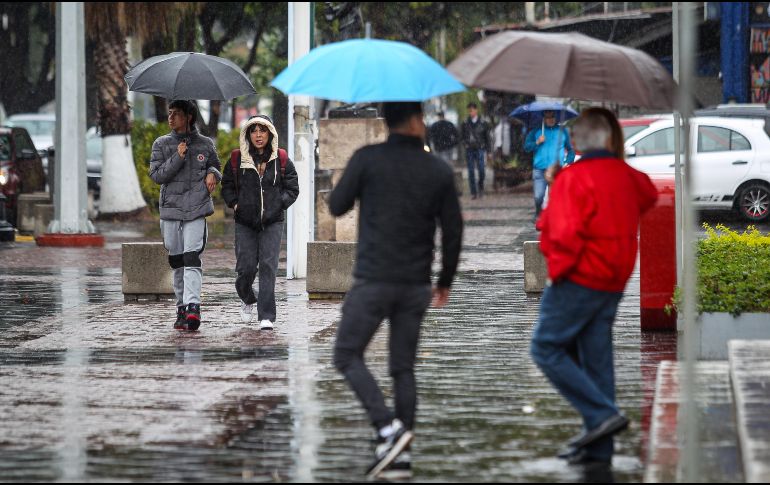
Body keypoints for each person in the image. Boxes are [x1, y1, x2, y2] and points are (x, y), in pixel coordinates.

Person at [329, 102, 463, 480]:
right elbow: (453, 230)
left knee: (346, 354)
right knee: (402, 367)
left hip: (373, 281)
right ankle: (400, 454)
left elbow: (337, 205)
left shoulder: (367, 159)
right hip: (416, 285)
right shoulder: (437, 168)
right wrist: (445, 280)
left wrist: (353, 181)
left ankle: (388, 428)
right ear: (417, 121)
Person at [530, 108, 658, 466]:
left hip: (579, 277)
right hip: (614, 281)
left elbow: (558, 230)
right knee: (596, 356)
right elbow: (647, 195)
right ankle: (599, 448)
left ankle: (601, 415)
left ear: (575, 142)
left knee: (546, 348)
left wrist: (557, 271)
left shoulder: (575, 177)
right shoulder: (625, 174)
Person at [221, 115, 299, 330]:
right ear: (247, 134)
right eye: (253, 130)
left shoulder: (281, 159)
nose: (258, 135)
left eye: (262, 130)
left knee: (268, 266)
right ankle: (247, 298)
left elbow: (292, 189)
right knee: (245, 268)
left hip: (273, 222)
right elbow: (227, 185)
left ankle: (266, 315)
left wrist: (277, 205)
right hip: (245, 222)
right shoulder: (237, 159)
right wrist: (236, 204)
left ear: (270, 133)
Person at [149, 100, 222, 331]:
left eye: (176, 114)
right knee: (177, 259)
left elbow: (216, 166)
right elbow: (157, 175)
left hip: (197, 208)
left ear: (189, 117)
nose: (170, 118)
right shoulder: (161, 143)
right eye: (169, 113)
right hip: (171, 209)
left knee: (192, 257)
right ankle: (181, 306)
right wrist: (178, 156)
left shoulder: (205, 144)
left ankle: (193, 307)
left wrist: (212, 173)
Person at [523, 110, 575, 220]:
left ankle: (554, 218)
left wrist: (567, 162)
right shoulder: (536, 130)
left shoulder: (562, 131)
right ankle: (538, 212)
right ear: (544, 118)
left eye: (552, 117)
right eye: (548, 117)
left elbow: (571, 150)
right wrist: (537, 142)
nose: (550, 119)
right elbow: (526, 147)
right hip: (540, 169)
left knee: (555, 197)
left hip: (556, 170)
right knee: (538, 197)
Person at [460, 102, 491, 199]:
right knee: (471, 171)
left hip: (480, 148)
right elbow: (461, 136)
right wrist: (465, 144)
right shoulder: (465, 123)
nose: (471, 112)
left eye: (472, 110)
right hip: (470, 149)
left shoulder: (483, 122)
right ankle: (473, 192)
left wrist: (489, 151)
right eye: (469, 111)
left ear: (476, 110)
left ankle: (480, 187)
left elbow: (487, 138)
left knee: (481, 170)